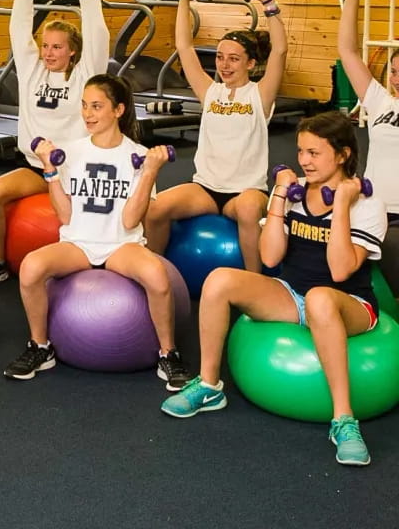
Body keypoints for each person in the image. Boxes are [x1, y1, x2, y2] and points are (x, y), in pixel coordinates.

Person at [162, 111, 388, 467]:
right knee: (220, 279)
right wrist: (281, 196)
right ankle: (209, 386)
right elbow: (269, 255)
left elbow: (341, 270)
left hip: (350, 304)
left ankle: (344, 420)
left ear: (343, 154)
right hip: (292, 294)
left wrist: (342, 205)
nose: (304, 161)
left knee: (320, 298)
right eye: (301, 152)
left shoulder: (368, 203)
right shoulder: (296, 193)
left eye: (314, 153)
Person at [3, 74, 192, 389]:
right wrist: (49, 169)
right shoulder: (72, 152)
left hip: (121, 244)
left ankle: (168, 354)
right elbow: (65, 216)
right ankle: (40, 346)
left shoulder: (137, 155)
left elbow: (131, 221)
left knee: (158, 278)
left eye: (96, 106)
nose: (88, 114)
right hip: (78, 242)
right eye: (84, 106)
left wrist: (148, 174)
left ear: (118, 110)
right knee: (31, 267)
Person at [144, 0, 288, 274]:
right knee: (154, 207)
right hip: (206, 189)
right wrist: (184, 1)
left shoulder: (259, 95)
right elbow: (184, 46)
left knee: (248, 209)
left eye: (234, 59)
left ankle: (252, 281)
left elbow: (280, 52)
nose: (224, 65)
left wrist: (269, 4)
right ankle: (151, 272)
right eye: (221, 57)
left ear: (250, 64)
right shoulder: (210, 91)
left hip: (247, 191)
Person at [0, 0, 110, 286]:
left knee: (81, 220)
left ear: (73, 51)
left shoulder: (85, 74)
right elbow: (18, 30)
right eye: (46, 46)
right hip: (37, 168)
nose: (48, 53)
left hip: (74, 171)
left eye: (57, 47)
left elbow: (97, 32)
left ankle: (91, 262)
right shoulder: (32, 71)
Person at [337, 0, 399, 298]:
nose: (396, 78)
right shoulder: (380, 102)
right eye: (393, 71)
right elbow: (346, 51)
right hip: (372, 207)